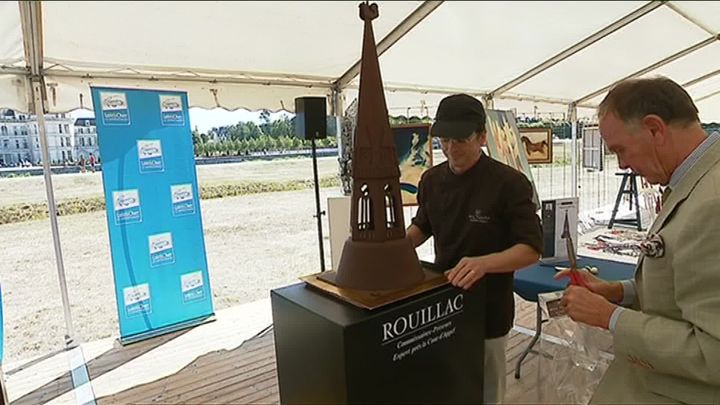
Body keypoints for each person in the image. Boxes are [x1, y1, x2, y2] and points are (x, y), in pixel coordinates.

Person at [557, 77, 720, 404]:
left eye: (620, 150)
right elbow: (683, 281)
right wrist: (618, 291)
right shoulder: (697, 183)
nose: (623, 165)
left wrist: (609, 316)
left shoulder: (711, 204)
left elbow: (712, 353)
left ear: (654, 129)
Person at [406, 94, 543, 404]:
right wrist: (397, 248)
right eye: (444, 140)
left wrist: (482, 264)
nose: (452, 149)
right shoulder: (430, 180)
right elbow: (422, 227)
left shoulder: (510, 183)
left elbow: (531, 249)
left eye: (461, 139)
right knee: (446, 387)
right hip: (441, 306)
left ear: (482, 136)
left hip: (489, 309)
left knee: (488, 393)